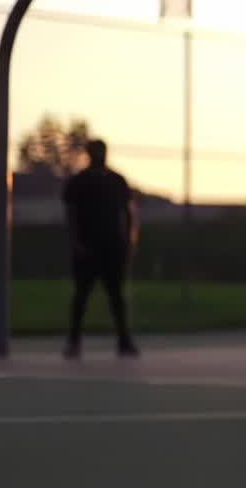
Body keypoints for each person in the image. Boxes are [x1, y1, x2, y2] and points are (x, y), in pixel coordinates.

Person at [62, 139, 139, 358]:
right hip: (87, 247)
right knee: (81, 296)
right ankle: (74, 341)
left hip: (112, 247)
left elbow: (129, 212)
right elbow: (71, 214)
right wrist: (75, 242)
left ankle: (124, 340)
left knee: (116, 296)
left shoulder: (116, 181)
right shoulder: (79, 182)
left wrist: (130, 240)